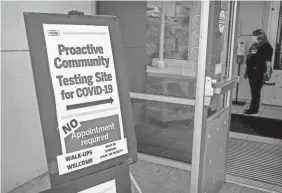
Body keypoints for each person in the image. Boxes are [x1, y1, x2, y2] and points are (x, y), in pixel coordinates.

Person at [243, 29, 273, 115]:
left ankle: (254, 110)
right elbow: (249, 58)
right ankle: (252, 108)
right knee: (253, 91)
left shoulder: (266, 46)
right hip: (251, 71)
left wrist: (267, 72)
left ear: (259, 36)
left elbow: (268, 61)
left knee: (256, 92)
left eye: (254, 35)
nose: (252, 37)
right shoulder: (255, 45)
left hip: (258, 72)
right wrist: (246, 72)